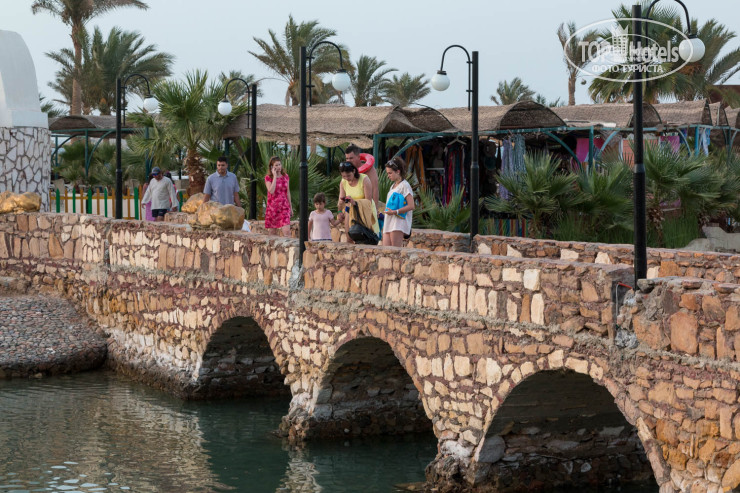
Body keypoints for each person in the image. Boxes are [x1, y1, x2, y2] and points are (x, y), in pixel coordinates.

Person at [337, 161, 378, 243]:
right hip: (350, 209)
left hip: (364, 210)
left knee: (365, 236)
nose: (346, 178)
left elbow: (368, 201)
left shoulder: (364, 179)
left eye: (348, 175)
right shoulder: (343, 182)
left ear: (354, 171)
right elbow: (340, 199)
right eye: (344, 176)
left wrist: (355, 202)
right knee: (349, 235)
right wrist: (339, 211)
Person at [382, 156, 415, 247]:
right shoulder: (392, 186)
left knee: (395, 251)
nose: (388, 176)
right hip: (389, 220)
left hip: (398, 222)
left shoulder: (405, 185)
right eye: (387, 173)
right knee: (386, 250)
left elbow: (411, 205)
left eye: (390, 173)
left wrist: (395, 212)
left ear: (398, 171)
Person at [345, 144, 379, 209]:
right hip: (350, 207)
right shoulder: (346, 171)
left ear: (358, 157)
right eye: (347, 158)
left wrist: (375, 208)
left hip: (365, 206)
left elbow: (375, 189)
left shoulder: (370, 170)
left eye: (351, 158)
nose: (349, 161)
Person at [264, 156, 292, 237]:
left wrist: (291, 207)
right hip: (273, 208)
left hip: (284, 207)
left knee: (287, 231)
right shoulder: (268, 178)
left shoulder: (285, 176)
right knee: (272, 233)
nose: (279, 167)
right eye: (276, 165)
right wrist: (275, 176)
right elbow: (271, 191)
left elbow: (288, 192)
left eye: (279, 164)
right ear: (272, 167)